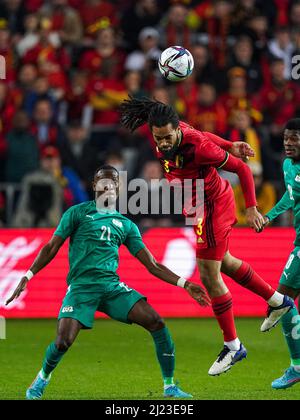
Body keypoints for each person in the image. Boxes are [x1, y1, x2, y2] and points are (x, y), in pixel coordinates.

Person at [120, 96, 294, 376]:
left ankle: (233, 345)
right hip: (198, 205)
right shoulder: (178, 131)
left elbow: (241, 168)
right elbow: (205, 134)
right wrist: (229, 143)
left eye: (167, 138)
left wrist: (251, 208)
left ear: (177, 130)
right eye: (158, 138)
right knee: (224, 261)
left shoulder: (198, 148)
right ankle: (278, 301)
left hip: (212, 206)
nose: (163, 144)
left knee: (209, 274)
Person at [6, 165, 210, 400]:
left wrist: (185, 284)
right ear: (95, 186)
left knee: (156, 321)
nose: (108, 186)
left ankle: (170, 386)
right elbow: (52, 246)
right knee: (63, 342)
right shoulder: (78, 213)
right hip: (82, 287)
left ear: (118, 188)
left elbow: (152, 264)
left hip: (112, 288)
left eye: (112, 182)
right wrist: (28, 275)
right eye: (103, 182)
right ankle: (41, 378)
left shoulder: (125, 224)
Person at [261, 118, 300, 389]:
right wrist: (269, 216)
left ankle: (297, 366)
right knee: (283, 301)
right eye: (286, 138)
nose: (288, 143)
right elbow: (290, 196)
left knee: (282, 299)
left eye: (294, 138)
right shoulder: (287, 165)